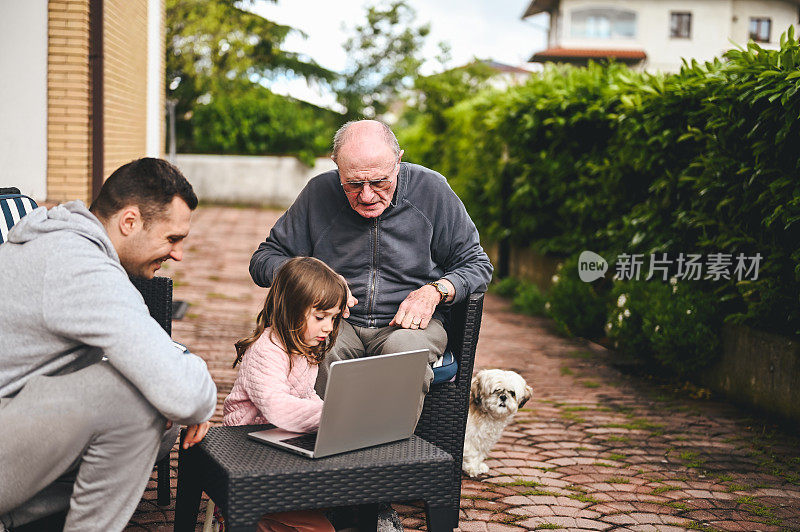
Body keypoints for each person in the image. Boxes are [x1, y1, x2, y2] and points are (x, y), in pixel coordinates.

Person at [0, 158, 217, 531]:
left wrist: (177, 383)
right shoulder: (78, 266)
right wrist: (194, 396)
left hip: (16, 421)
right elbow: (182, 392)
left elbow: (156, 359)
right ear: (129, 221)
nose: (178, 254)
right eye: (172, 239)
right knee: (135, 401)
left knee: (155, 414)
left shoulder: (72, 247)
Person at [249, 120, 493, 413]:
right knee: (318, 350)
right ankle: (321, 448)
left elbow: (477, 263)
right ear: (336, 165)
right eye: (353, 184)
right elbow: (264, 259)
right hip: (338, 322)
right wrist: (317, 280)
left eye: (379, 182)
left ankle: (389, 453)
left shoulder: (432, 190)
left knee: (403, 353)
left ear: (398, 161)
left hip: (410, 326)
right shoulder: (319, 192)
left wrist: (436, 290)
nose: (366, 196)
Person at [220, 256, 347, 532]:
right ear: (291, 309)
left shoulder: (305, 348)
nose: (328, 327)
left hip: (276, 442)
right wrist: (332, 415)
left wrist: (334, 410)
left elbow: (306, 394)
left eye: (333, 318)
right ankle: (238, 516)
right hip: (244, 453)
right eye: (320, 317)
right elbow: (277, 406)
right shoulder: (266, 350)